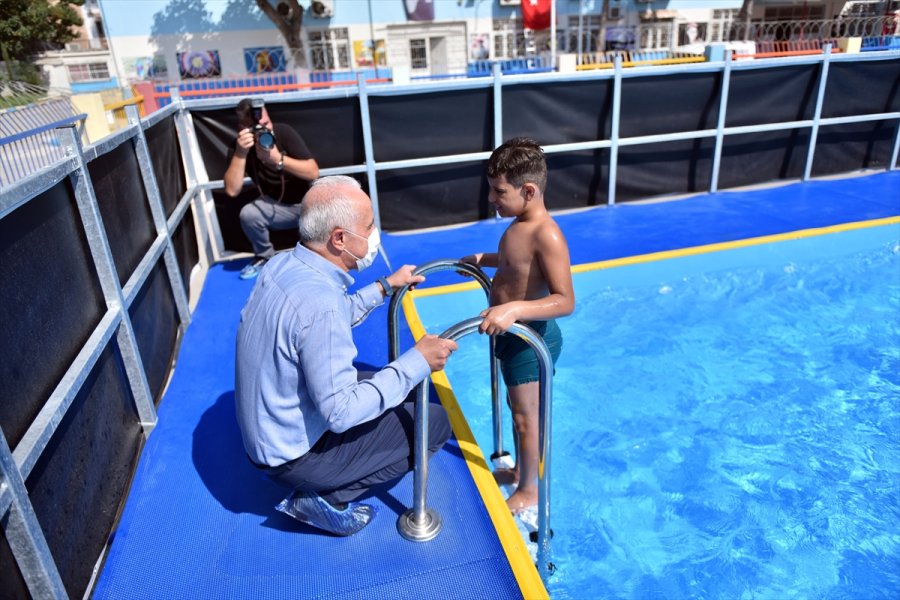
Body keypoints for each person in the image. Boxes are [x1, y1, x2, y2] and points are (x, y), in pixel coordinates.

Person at [235, 175, 458, 536]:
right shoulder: (320, 303)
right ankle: (328, 497)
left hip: (268, 433)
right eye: (369, 227)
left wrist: (384, 287)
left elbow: (326, 316)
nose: (374, 235)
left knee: (382, 383)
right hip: (293, 457)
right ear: (339, 238)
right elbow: (340, 413)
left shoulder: (284, 265)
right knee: (433, 422)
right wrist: (417, 360)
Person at [461, 138, 574, 514]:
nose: (492, 198)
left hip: (530, 342)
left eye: (499, 191)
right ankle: (521, 472)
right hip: (512, 338)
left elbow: (564, 300)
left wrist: (513, 309)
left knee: (528, 420)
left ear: (528, 191)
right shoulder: (518, 223)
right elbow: (516, 263)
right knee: (517, 412)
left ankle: (529, 490)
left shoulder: (547, 234)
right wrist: (486, 258)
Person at [224, 97, 320, 280]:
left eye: (266, 124)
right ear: (242, 129)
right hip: (276, 206)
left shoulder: (284, 132)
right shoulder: (239, 147)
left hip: (307, 205)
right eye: (256, 129)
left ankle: (316, 255)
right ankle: (264, 256)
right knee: (249, 214)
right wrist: (241, 153)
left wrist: (279, 160)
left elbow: (313, 172)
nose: (264, 131)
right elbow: (232, 190)